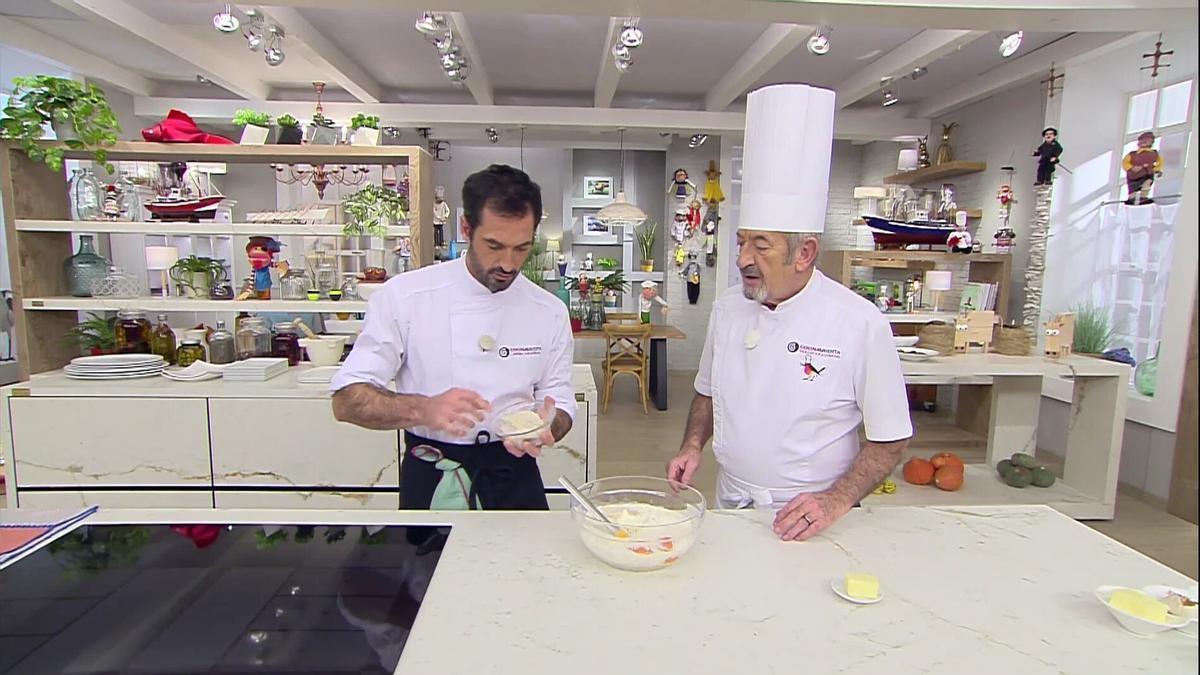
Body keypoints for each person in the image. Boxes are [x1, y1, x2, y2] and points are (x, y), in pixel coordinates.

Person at [666, 84, 913, 541]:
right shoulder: (727, 311)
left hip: (812, 517)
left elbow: (890, 437)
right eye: (742, 242)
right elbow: (707, 392)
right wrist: (692, 444)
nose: (743, 259)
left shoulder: (859, 323)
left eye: (761, 246)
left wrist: (835, 501)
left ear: (805, 253)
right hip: (730, 502)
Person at [331, 164, 576, 510]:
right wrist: (423, 408)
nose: (508, 263)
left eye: (522, 248)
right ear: (465, 227)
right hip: (432, 474)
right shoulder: (405, 297)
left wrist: (548, 424)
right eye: (494, 245)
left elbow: (560, 400)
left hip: (515, 475)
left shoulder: (548, 310)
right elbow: (346, 400)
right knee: (425, 566)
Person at [1122, 131, 1164, 205]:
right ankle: (1132, 198)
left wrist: (1157, 170)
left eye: (1147, 140)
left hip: (1147, 173)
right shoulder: (1132, 154)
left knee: (1147, 184)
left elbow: (1160, 162)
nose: (1144, 142)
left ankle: (1143, 197)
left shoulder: (1154, 153)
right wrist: (1131, 168)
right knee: (1133, 187)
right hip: (1134, 175)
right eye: (1142, 140)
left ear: (1151, 142)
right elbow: (1125, 162)